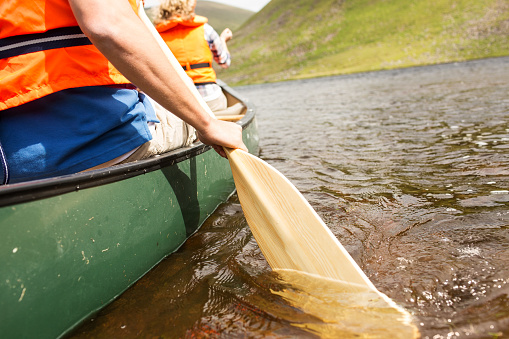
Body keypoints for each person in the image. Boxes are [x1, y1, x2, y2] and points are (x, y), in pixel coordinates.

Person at [0, 0, 247, 185]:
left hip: (9, 159)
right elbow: (108, 25)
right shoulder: (204, 30)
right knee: (194, 124)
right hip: (90, 138)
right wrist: (207, 124)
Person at [154, 0, 236, 114]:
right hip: (210, 97)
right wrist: (222, 40)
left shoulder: (156, 36)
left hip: (178, 100)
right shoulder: (205, 29)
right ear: (188, 7)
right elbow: (224, 63)